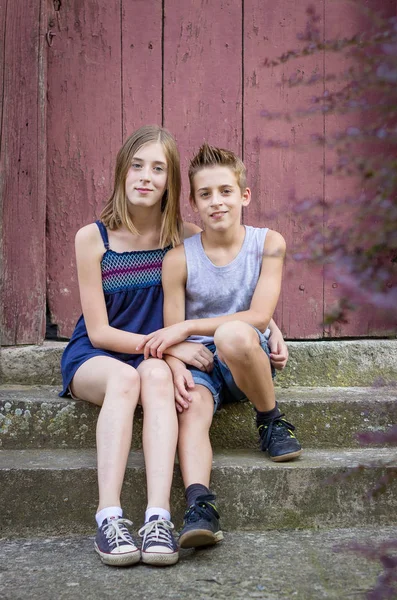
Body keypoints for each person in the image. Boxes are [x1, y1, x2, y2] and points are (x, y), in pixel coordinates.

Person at [59, 125, 216, 567]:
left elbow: (232, 279)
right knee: (129, 377)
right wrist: (171, 347)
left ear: (171, 182)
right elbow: (101, 332)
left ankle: (158, 518)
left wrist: (272, 325)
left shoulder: (185, 237)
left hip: (153, 357)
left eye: (159, 168)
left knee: (153, 375)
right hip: (97, 355)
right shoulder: (94, 238)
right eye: (137, 165)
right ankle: (109, 517)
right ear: (121, 173)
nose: (146, 176)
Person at [137, 142, 302, 550]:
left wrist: (191, 326)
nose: (217, 202)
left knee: (233, 333)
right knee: (190, 407)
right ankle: (200, 503)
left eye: (226, 191)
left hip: (245, 356)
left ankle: (270, 419)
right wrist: (178, 362)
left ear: (244, 195)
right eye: (206, 194)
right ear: (193, 202)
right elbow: (174, 331)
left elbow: (259, 316)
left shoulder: (268, 243)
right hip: (199, 361)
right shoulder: (178, 259)